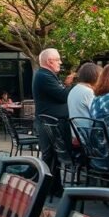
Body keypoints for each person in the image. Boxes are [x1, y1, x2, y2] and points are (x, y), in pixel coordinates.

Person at [31, 48, 74, 193]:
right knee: (50, 156)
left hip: (50, 121)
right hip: (48, 122)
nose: (60, 62)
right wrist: (70, 85)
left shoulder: (46, 75)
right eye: (58, 59)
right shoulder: (44, 76)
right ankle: (47, 188)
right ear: (49, 61)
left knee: (53, 156)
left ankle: (53, 188)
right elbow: (63, 96)